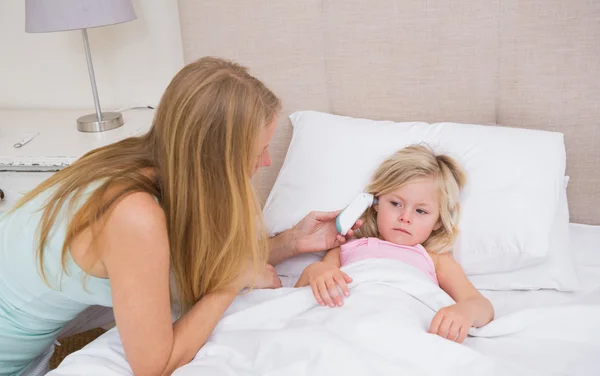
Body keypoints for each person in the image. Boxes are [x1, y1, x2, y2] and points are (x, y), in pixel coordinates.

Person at [0, 57, 359, 376]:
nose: (265, 163)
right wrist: (228, 285)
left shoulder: (141, 160)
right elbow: (155, 366)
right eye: (258, 151)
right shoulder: (134, 213)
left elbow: (188, 264)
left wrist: (288, 243)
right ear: (215, 157)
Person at [295, 145, 494, 344]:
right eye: (396, 204)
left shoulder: (436, 259)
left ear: (438, 222)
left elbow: (480, 304)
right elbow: (299, 292)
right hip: (343, 322)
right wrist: (315, 271)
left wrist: (464, 312)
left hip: (401, 327)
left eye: (421, 211)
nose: (405, 217)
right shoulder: (346, 248)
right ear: (375, 203)